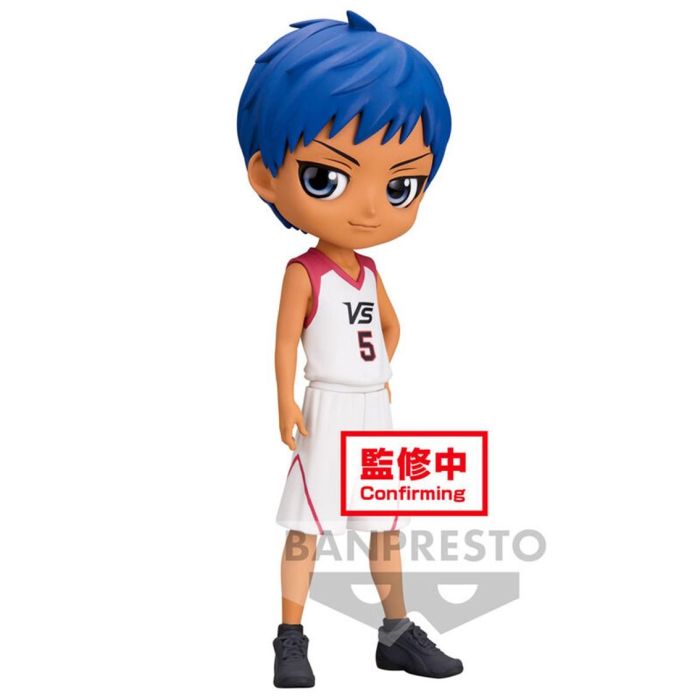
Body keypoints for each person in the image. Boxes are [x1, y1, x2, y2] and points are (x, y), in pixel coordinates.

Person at [237, 10, 462, 687]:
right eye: (327, 178)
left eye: (398, 187)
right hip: (326, 405)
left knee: (385, 524)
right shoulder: (302, 272)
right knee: (307, 523)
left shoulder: (370, 270)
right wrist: (286, 402)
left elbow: (392, 325)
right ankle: (290, 637)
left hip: (372, 406)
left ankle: (396, 632)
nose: (369, 208)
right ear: (266, 175)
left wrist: (381, 370)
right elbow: (284, 341)